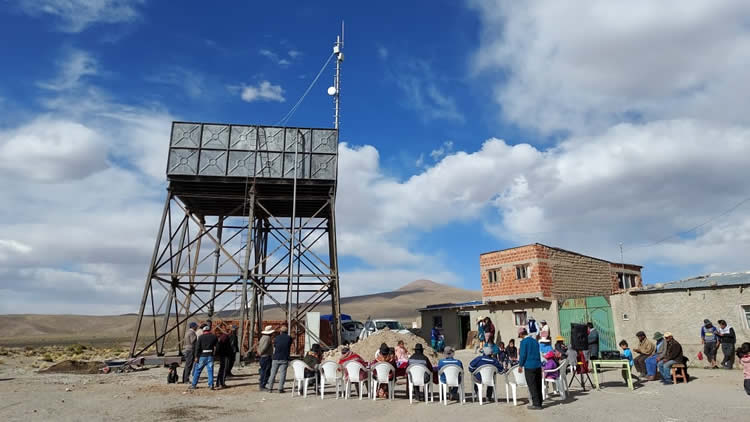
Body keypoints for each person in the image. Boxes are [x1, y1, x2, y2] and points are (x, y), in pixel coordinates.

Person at [518, 327, 543, 410]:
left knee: (532, 385)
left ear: (521, 334)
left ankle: (536, 404)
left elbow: (523, 355)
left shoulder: (523, 342)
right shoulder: (535, 341)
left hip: (529, 366)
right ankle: (540, 401)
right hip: (537, 365)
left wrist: (520, 365)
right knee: (538, 384)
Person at [190, 323, 218, 390]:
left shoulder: (201, 337)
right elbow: (217, 346)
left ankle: (193, 385)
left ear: (204, 330)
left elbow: (197, 347)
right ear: (209, 330)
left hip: (202, 356)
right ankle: (211, 385)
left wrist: (196, 356)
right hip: (210, 356)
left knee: (198, 370)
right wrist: (215, 354)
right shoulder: (214, 337)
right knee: (210, 371)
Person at [264, 325, 292, 393]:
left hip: (276, 357)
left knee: (273, 373)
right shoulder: (289, 338)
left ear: (280, 331)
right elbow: (289, 345)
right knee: (282, 374)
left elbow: (275, 346)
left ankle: (270, 388)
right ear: (287, 331)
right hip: (285, 358)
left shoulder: (276, 338)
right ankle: (280, 388)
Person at [257, 325, 274, 391]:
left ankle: (262, 384)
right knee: (266, 372)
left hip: (263, 357)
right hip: (266, 357)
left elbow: (259, 346)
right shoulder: (267, 338)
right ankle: (262, 385)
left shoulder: (263, 337)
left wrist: (259, 352)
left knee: (263, 371)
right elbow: (264, 348)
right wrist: (261, 352)